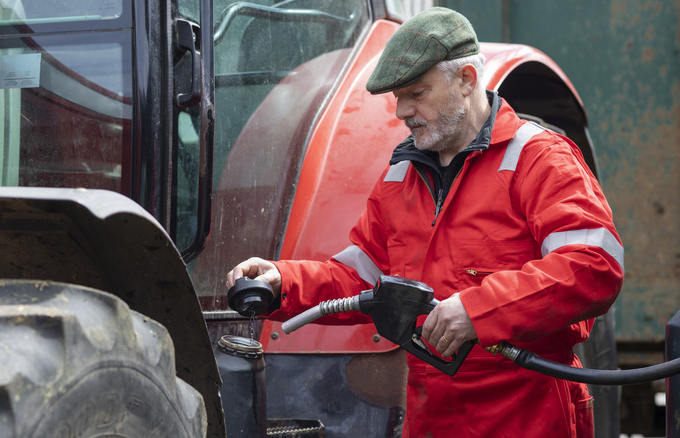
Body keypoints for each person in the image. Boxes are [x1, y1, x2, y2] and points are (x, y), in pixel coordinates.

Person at [226, 7, 624, 437]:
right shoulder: (401, 177)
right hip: (432, 418)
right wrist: (282, 282)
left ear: (467, 79)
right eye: (399, 97)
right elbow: (362, 278)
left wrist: (478, 311)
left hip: (526, 416)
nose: (402, 111)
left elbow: (593, 266)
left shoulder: (539, 158)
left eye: (417, 93)